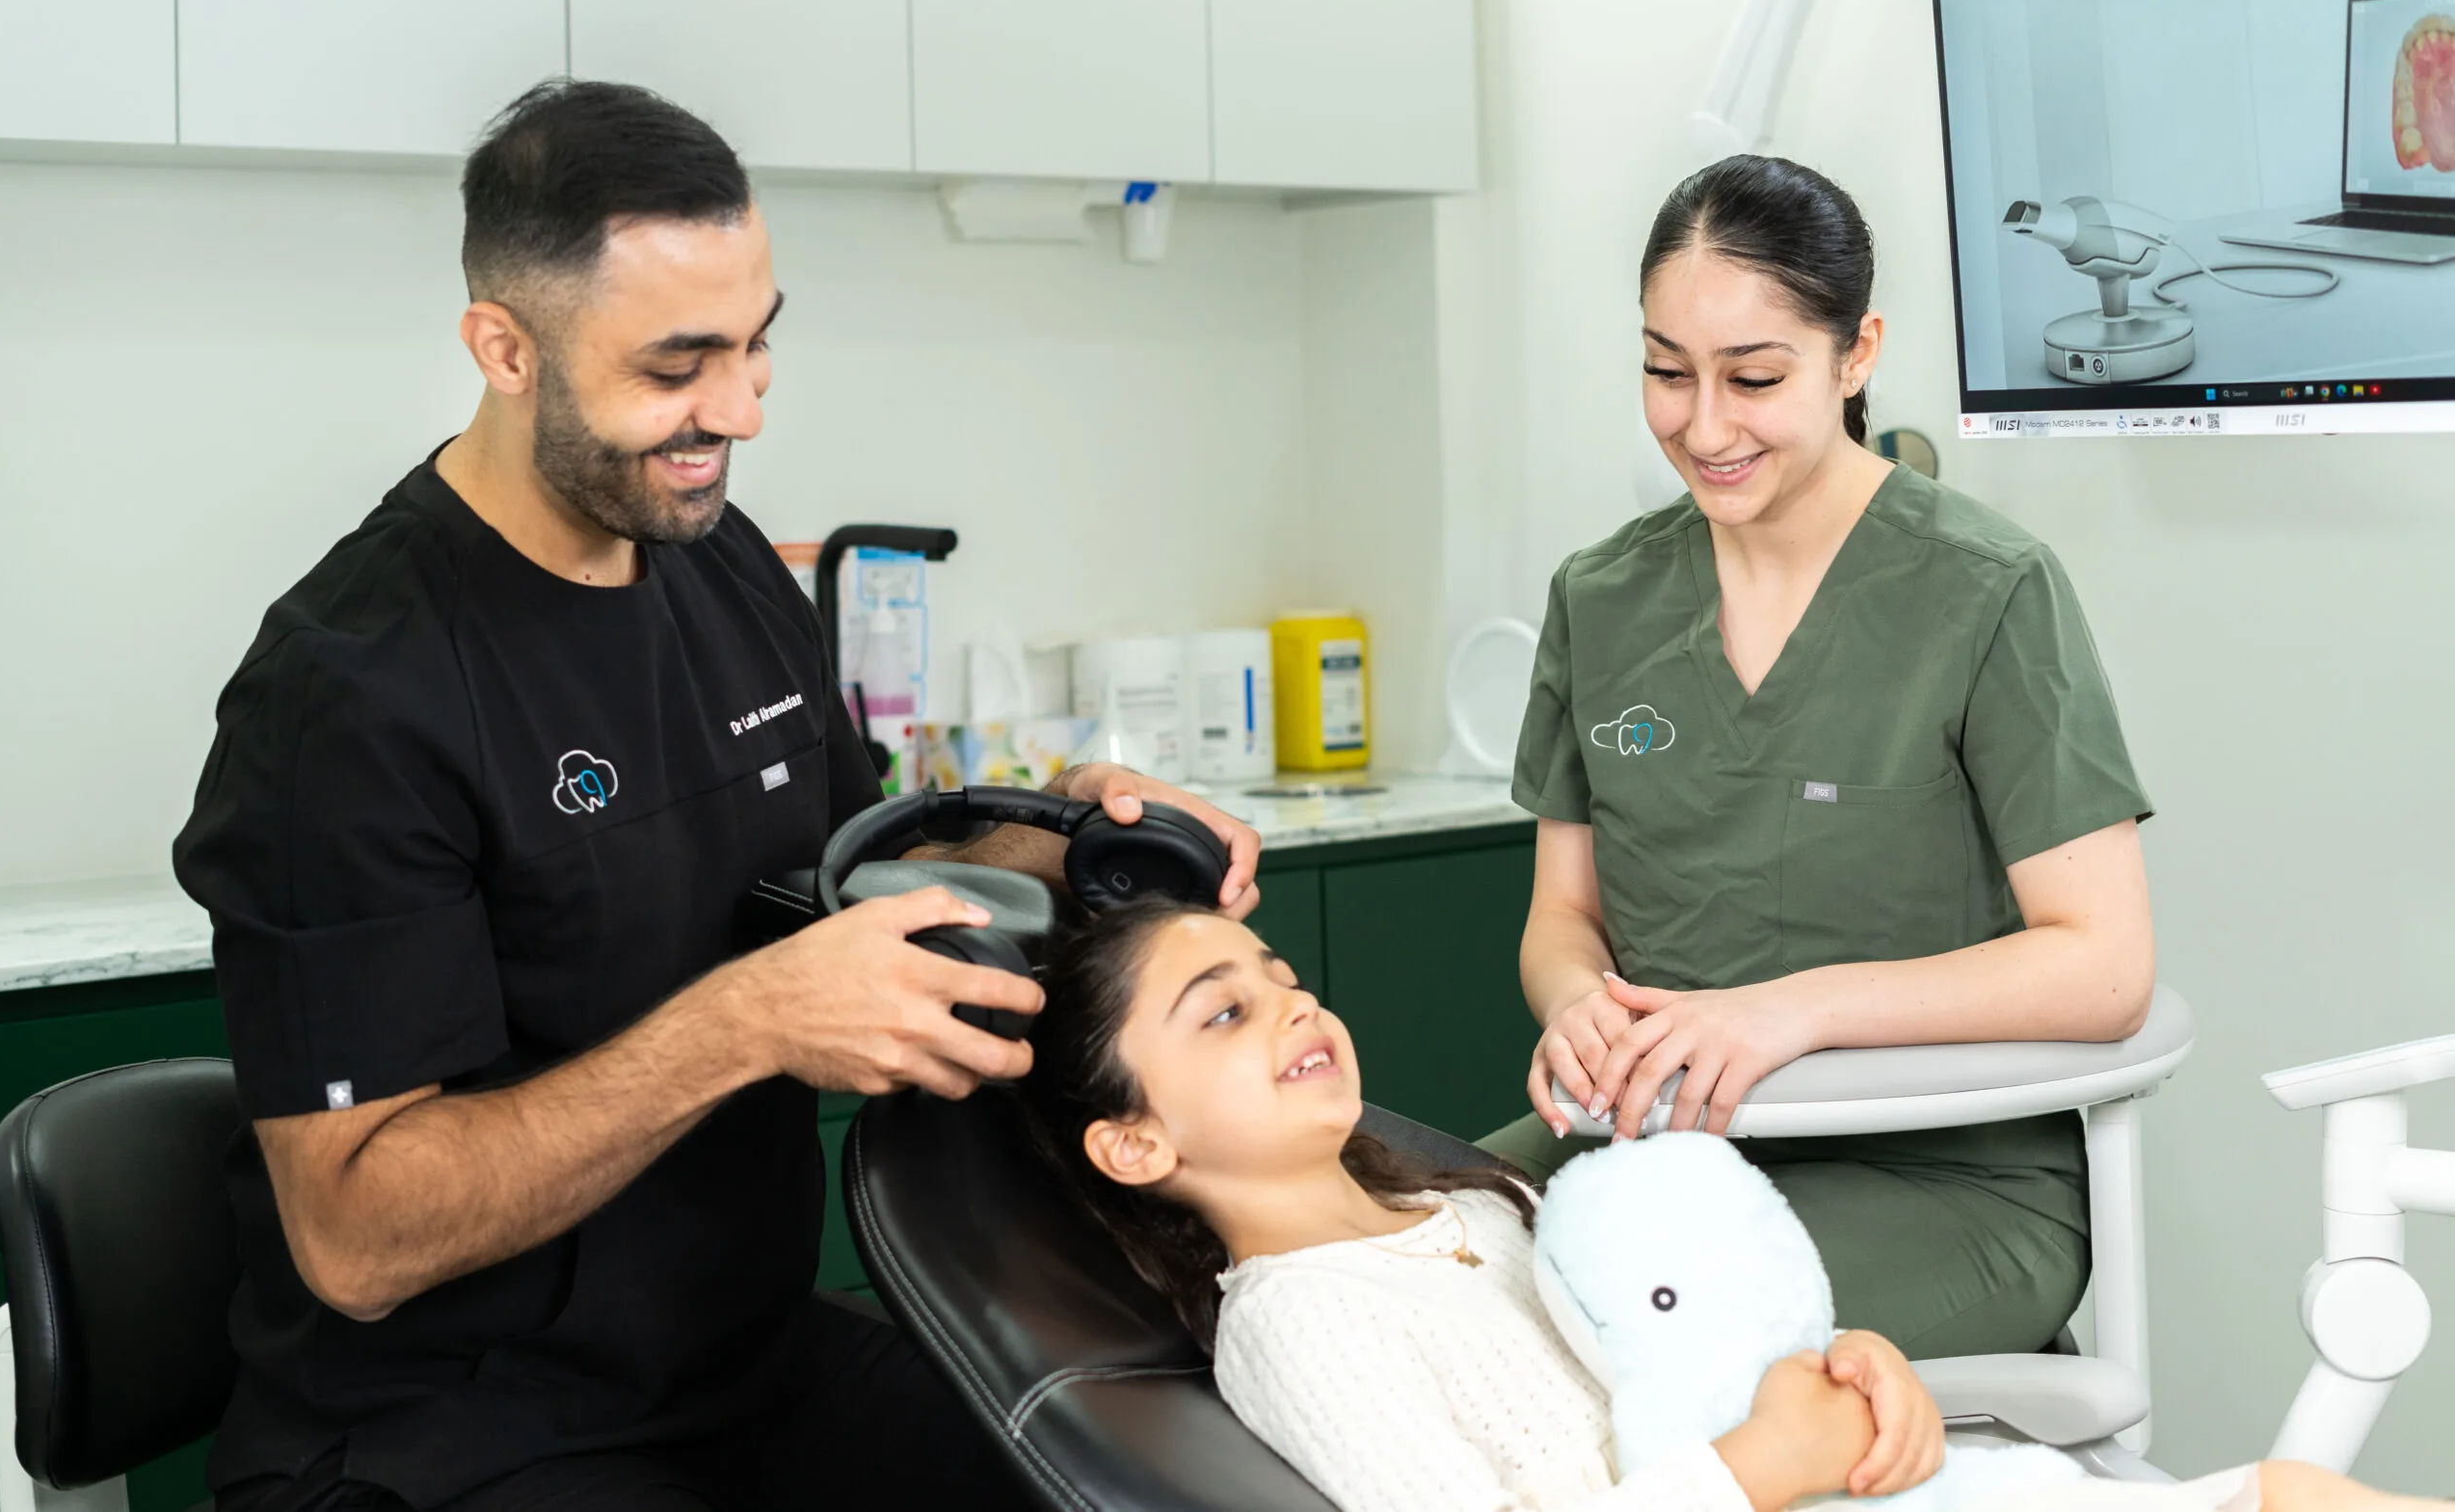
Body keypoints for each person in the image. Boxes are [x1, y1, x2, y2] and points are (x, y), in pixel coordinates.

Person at [173, 79, 1262, 1512]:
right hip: (451, 1433)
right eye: (678, 363)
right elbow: (357, 1234)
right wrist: (742, 1024)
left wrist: (1064, 837)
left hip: (738, 1372)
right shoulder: (351, 692)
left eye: (757, 345)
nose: (736, 408)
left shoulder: (718, 556)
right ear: (504, 347)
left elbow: (859, 868)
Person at [1016, 897, 2417, 1512]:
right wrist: (1764, 1463)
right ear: (1135, 1143)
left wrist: (1844, 1372)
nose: (1291, 1003)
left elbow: (1682, 1370)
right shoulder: (1305, 1322)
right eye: (1222, 1011)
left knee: (2290, 1488)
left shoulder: (1482, 1207)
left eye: (1277, 974)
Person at [1478, 154, 2155, 1361]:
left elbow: (2104, 969)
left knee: (1603, 1347)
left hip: (1947, 1181)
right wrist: (1575, 1002)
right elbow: (1560, 915)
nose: (1703, 425)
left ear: (1856, 355)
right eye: (1664, 372)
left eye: (1753, 377)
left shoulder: (1986, 592)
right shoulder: (1602, 597)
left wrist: (1789, 1016)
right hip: (1649, 1148)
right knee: (1383, 1276)